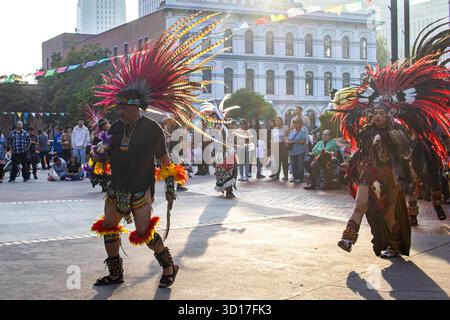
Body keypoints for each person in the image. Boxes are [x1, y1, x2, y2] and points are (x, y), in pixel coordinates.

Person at [89, 13, 219, 289]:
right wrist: (99, 153)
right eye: (118, 107)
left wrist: (170, 184)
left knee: (145, 233)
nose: (120, 111)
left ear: (137, 107)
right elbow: (106, 155)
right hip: (117, 186)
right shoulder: (114, 127)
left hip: (140, 188)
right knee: (109, 231)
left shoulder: (152, 129)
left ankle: (170, 266)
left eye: (124, 107)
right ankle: (115, 273)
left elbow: (164, 161)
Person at [334, 44, 449, 258]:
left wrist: (386, 138)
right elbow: (361, 151)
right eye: (375, 112)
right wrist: (349, 162)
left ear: (388, 116)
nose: (377, 116)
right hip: (368, 174)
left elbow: (406, 151)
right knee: (360, 205)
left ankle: (395, 245)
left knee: (389, 215)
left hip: (389, 178)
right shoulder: (367, 132)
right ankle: (348, 239)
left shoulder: (397, 132)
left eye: (381, 113)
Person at [287, 118, 308, 183]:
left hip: (300, 151)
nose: (295, 125)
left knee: (300, 165)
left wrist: (293, 142)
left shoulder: (303, 132)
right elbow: (289, 139)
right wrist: (288, 141)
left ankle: (300, 178)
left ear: (300, 124)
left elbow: (303, 141)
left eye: (296, 123)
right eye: (294, 123)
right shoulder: (292, 131)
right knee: (293, 165)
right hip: (292, 151)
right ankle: (295, 177)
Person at [270, 117, 289, 181]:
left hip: (282, 144)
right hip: (275, 145)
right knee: (277, 161)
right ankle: (277, 175)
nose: (277, 122)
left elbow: (287, 136)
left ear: (281, 121)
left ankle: (285, 175)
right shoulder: (274, 129)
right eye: (276, 121)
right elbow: (272, 138)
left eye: (278, 120)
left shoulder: (285, 127)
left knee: (284, 161)